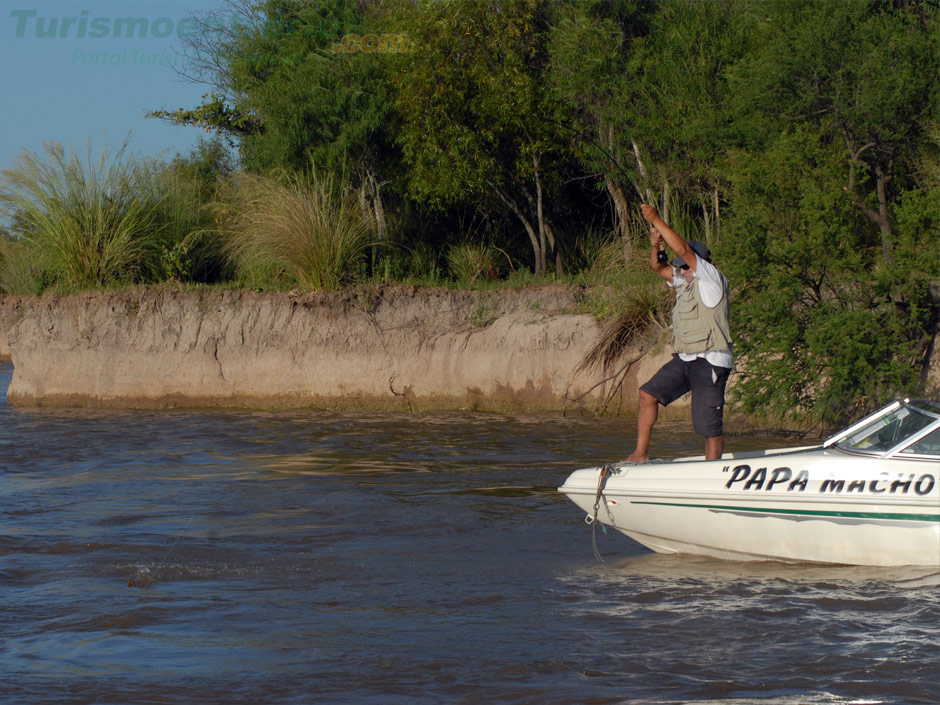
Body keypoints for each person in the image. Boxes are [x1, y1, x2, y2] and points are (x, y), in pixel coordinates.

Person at [623, 203, 732, 462]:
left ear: (701, 264)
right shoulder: (685, 281)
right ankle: (641, 453)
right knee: (647, 394)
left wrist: (655, 219)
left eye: (686, 266)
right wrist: (655, 246)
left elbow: (683, 249)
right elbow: (659, 269)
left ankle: (712, 471)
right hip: (686, 359)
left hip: (711, 361)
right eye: (680, 267)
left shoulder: (711, 278)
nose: (681, 271)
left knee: (709, 428)